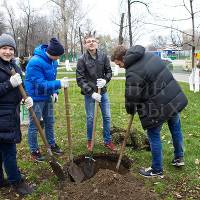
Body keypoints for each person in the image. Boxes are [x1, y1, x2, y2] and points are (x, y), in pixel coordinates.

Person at [111, 45, 188, 177]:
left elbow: (131, 96)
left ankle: (157, 169)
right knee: (175, 129)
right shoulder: (150, 56)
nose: (119, 67)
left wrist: (130, 109)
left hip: (156, 106)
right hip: (172, 99)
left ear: (123, 58)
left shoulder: (132, 71)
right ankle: (179, 158)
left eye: (119, 64)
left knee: (153, 135)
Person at [24, 38, 69, 162]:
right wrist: (59, 83)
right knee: (35, 125)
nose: (58, 58)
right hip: (35, 98)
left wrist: (55, 91)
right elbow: (41, 84)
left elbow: (50, 78)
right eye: (58, 56)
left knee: (50, 122)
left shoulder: (53, 62)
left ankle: (52, 144)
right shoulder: (35, 62)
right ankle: (34, 151)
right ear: (53, 53)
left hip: (47, 96)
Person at [0, 33, 33, 195]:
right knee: (9, 151)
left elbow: (21, 86)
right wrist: (8, 84)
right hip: (2, 115)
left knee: (2, 150)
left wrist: (26, 98)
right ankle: (17, 182)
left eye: (10, 48)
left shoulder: (13, 65)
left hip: (11, 113)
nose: (8, 52)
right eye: (4, 48)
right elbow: (10, 86)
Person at [76, 34, 115, 151]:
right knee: (90, 118)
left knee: (107, 117)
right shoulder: (82, 59)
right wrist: (91, 93)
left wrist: (105, 80)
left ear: (97, 43)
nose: (91, 43)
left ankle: (107, 140)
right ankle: (90, 140)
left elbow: (109, 72)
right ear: (85, 44)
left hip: (102, 92)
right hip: (90, 95)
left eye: (93, 41)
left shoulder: (103, 57)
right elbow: (80, 79)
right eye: (88, 41)